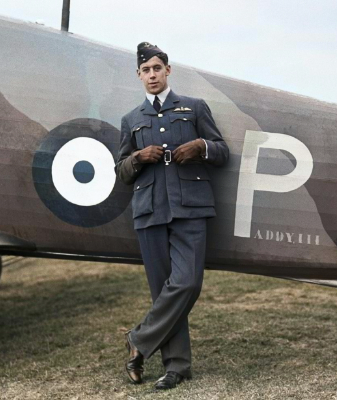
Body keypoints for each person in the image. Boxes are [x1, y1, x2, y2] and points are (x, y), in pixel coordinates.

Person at [115, 42, 229, 390]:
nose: (152, 75)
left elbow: (222, 152)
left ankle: (138, 340)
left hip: (190, 207)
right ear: (139, 76)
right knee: (162, 290)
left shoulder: (194, 108)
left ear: (168, 71)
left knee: (188, 283)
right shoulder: (131, 120)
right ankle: (176, 368)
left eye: (157, 69)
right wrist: (138, 158)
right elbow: (120, 170)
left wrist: (201, 147)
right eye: (145, 71)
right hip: (150, 211)